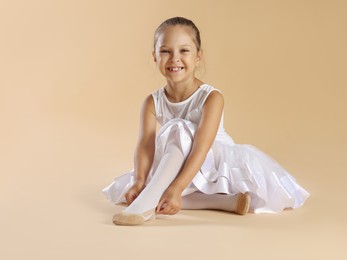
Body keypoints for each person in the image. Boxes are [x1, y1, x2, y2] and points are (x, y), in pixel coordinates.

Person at [102, 16, 310, 226]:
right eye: (165, 51)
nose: (174, 58)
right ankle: (224, 202)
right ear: (155, 57)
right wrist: (139, 180)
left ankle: (146, 205)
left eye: (184, 51)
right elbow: (146, 145)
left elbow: (201, 147)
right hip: (175, 162)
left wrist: (176, 188)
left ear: (198, 57)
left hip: (211, 162)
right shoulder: (151, 102)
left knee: (177, 128)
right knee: (131, 187)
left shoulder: (211, 98)